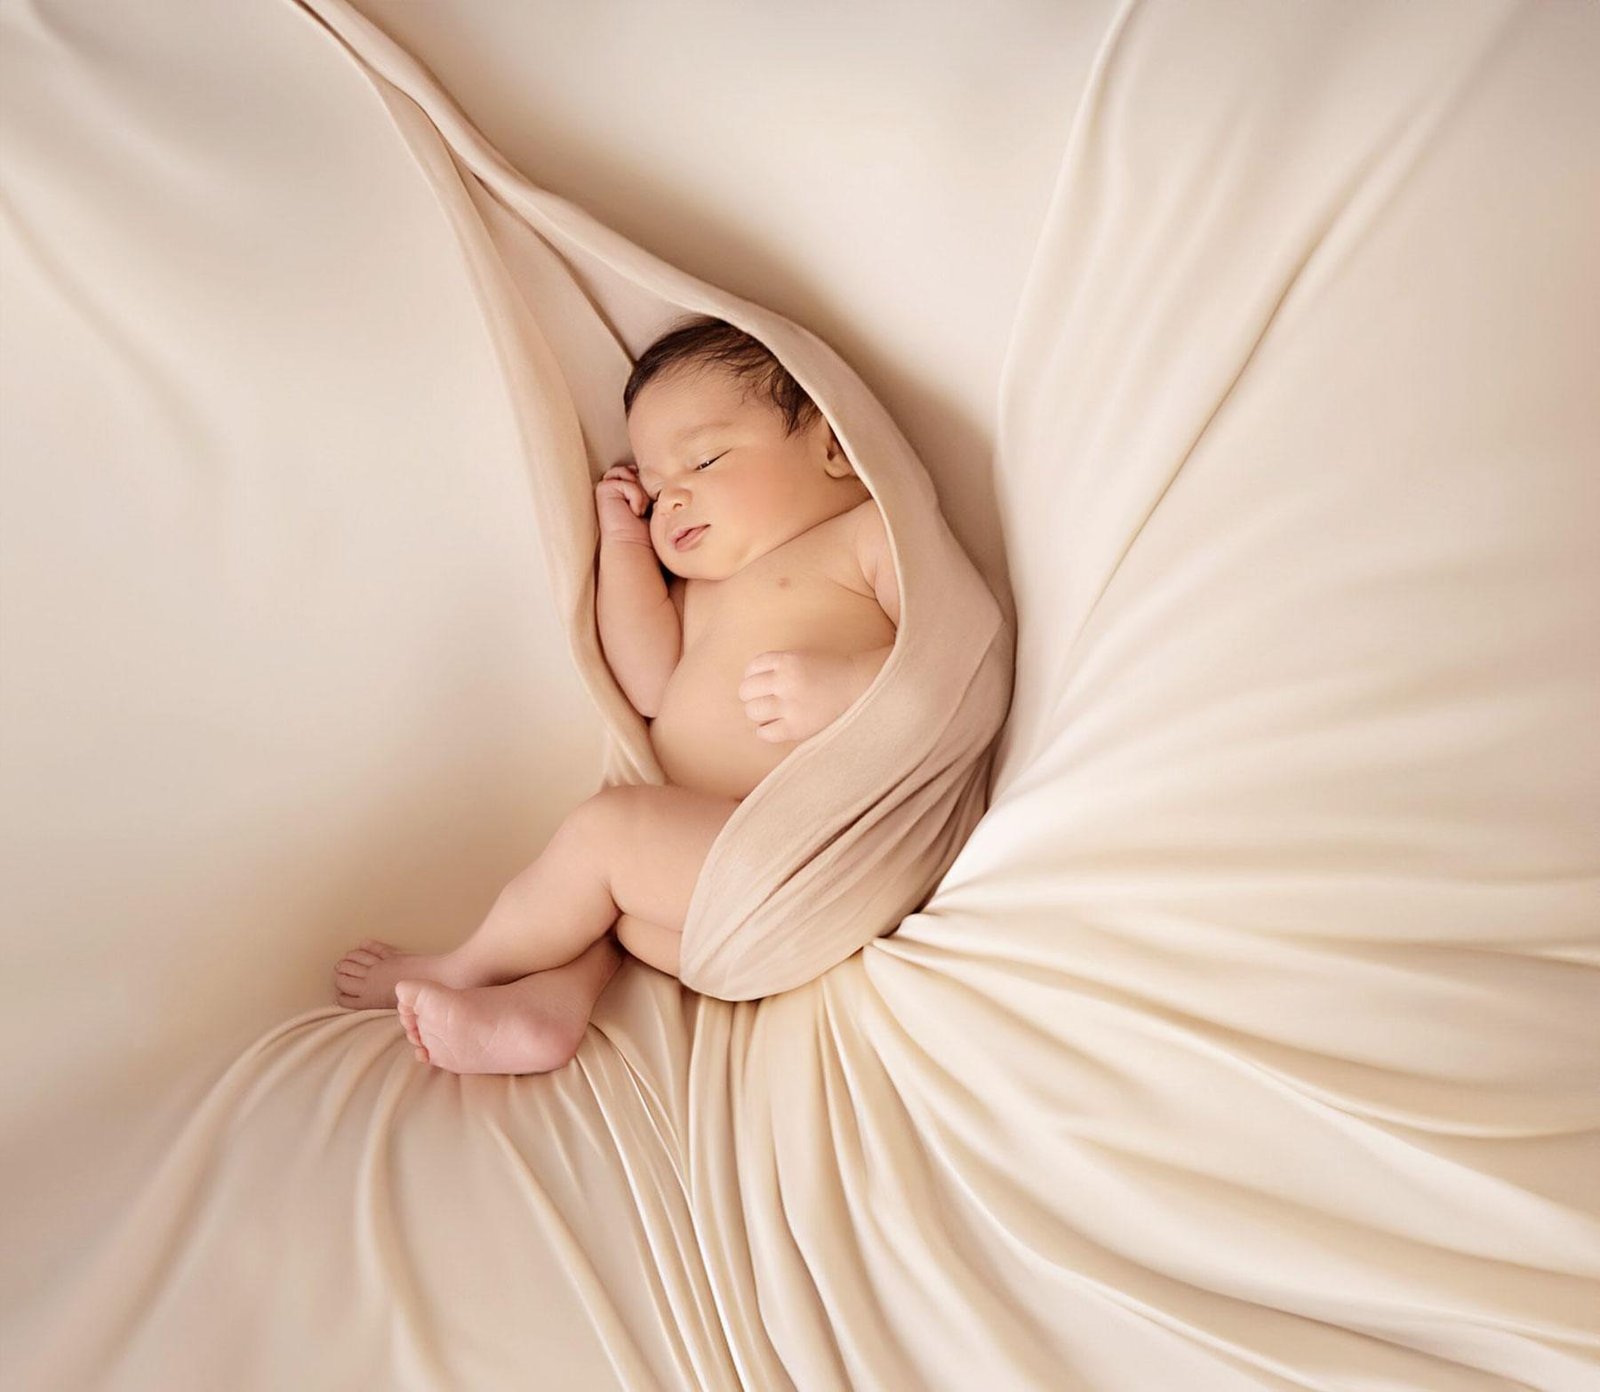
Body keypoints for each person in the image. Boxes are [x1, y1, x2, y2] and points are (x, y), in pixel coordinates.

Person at [331, 316, 902, 1074]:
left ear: (832, 447)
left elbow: (950, 658)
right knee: (605, 912)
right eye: (658, 487)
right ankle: (546, 1012)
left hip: (815, 863)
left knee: (608, 834)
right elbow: (647, 682)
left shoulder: (866, 538)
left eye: (703, 457)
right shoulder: (707, 591)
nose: (673, 498)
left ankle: (466, 966)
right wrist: (626, 545)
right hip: (698, 903)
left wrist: (854, 689)